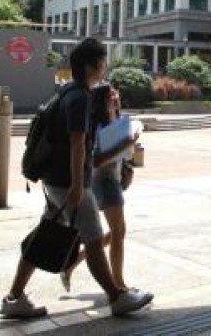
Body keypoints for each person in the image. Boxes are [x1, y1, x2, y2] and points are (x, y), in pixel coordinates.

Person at [0, 37, 153, 319]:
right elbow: (77, 143)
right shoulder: (80, 97)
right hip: (68, 182)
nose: (105, 66)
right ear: (94, 65)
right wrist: (76, 185)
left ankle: (14, 297)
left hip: (54, 180)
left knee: (42, 238)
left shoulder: (66, 92)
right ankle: (117, 296)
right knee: (93, 239)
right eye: (103, 61)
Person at [61, 81, 141, 293]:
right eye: (110, 96)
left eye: (116, 94)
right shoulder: (97, 125)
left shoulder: (118, 120)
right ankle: (118, 283)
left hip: (112, 179)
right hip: (102, 180)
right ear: (100, 101)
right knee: (118, 231)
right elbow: (96, 161)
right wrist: (125, 145)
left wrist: (131, 148)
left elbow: (120, 153)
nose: (115, 98)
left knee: (116, 232)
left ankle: (71, 264)